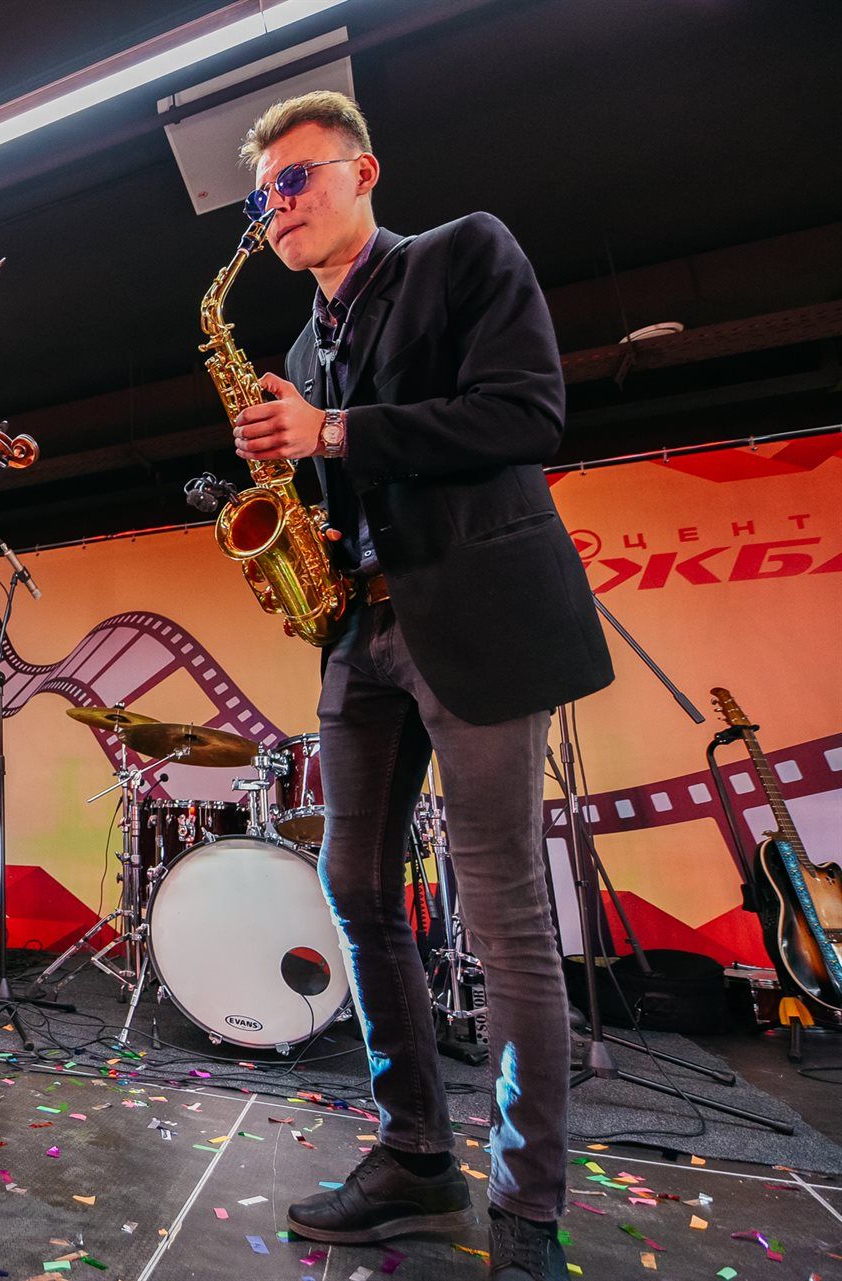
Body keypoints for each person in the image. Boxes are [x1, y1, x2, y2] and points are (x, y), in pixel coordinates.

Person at [226, 92, 613, 1280]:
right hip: (362, 629)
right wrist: (294, 506)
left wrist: (334, 435)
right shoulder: (301, 351)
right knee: (352, 883)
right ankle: (416, 1156)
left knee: (504, 914)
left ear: (364, 171)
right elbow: (336, 484)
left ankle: (527, 1212)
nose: (276, 206)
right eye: (262, 194)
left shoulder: (463, 254)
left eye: (295, 178)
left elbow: (526, 412)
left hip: (477, 614)